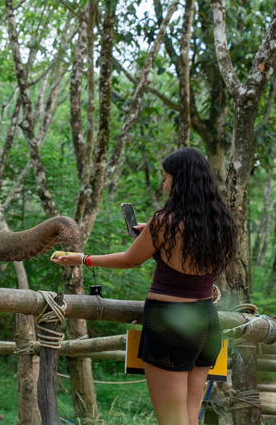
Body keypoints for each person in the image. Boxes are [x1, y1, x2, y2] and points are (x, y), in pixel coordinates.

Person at [51, 147, 236, 425]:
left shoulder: (165, 222)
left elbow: (128, 261)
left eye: (165, 178)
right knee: (189, 418)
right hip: (207, 321)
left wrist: (83, 258)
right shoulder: (221, 223)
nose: (164, 185)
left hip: (170, 324)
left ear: (179, 180)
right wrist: (150, 229)